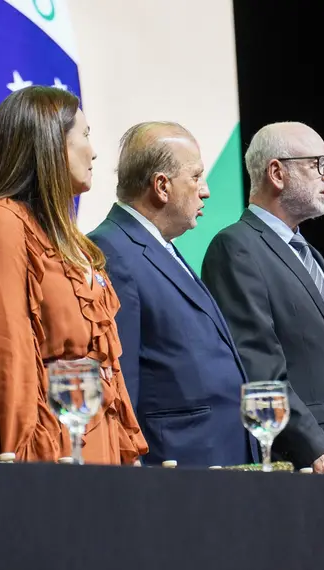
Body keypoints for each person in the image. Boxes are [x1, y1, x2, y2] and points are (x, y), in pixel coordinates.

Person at [0, 86, 147, 464]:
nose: (93, 151)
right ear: (50, 143)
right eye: (84, 135)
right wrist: (27, 466)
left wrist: (127, 451)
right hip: (49, 459)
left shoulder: (74, 242)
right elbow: (0, 363)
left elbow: (107, 366)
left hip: (100, 452)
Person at [88, 122, 257, 467]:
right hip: (176, 467)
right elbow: (120, 378)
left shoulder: (158, 245)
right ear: (162, 186)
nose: (205, 191)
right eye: (196, 177)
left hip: (212, 458)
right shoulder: (112, 250)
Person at [202, 121, 324, 475]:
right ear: (277, 173)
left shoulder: (309, 253)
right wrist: (318, 450)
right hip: (302, 464)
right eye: (319, 165)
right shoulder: (236, 248)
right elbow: (261, 371)